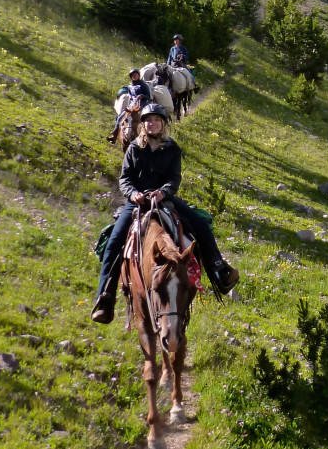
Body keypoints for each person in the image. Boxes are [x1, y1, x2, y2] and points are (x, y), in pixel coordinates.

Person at [91, 103, 239, 324]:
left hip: (164, 199)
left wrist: (163, 192)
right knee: (114, 241)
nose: (152, 123)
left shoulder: (172, 148)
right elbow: (125, 178)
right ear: (143, 124)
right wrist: (133, 194)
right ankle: (104, 297)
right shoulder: (133, 148)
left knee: (200, 224)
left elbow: (174, 178)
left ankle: (220, 270)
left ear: (163, 124)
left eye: (156, 120)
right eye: (148, 120)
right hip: (138, 202)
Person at [107, 68, 151, 144]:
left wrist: (141, 96)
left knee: (146, 120)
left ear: (138, 75)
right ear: (131, 77)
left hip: (142, 105)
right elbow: (130, 95)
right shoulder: (130, 86)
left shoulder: (143, 85)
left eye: (136, 75)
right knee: (120, 116)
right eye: (133, 75)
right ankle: (115, 134)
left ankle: (148, 138)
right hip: (132, 105)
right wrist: (131, 99)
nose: (135, 76)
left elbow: (148, 96)